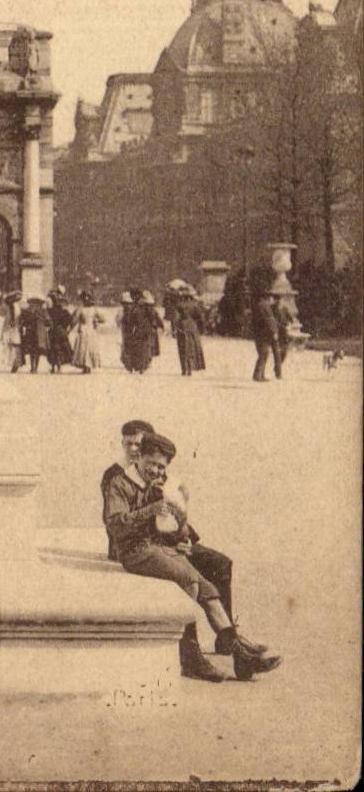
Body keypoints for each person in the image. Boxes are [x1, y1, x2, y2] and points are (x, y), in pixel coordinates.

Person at [103, 431, 280, 683]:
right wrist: (150, 509)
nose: (155, 470)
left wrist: (181, 521)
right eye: (150, 463)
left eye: (161, 466)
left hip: (160, 547)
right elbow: (115, 525)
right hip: (135, 552)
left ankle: (241, 656)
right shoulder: (120, 483)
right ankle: (192, 658)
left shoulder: (161, 483)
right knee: (189, 578)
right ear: (138, 457)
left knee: (207, 587)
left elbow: (175, 526)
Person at [100, 420, 155, 548]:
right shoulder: (113, 474)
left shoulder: (155, 472)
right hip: (124, 546)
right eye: (128, 443)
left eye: (138, 444)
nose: (132, 449)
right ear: (122, 443)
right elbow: (113, 520)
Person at [173, 287, 207, 376]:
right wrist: (202, 328)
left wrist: (174, 329)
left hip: (182, 328)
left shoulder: (179, 305)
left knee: (182, 348)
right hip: (192, 327)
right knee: (191, 348)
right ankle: (190, 368)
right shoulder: (195, 305)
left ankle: (184, 369)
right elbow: (201, 318)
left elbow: (175, 318)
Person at [252, 289, 283, 381]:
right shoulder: (265, 306)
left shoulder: (261, 305)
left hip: (260, 333)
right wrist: (274, 332)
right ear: (269, 298)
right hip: (264, 334)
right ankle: (258, 376)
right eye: (272, 298)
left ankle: (260, 375)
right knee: (264, 353)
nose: (273, 301)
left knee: (263, 354)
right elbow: (269, 320)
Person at [69, 291, 103, 372]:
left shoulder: (80, 309)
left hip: (84, 330)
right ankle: (88, 365)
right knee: (89, 348)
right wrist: (96, 320)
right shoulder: (94, 309)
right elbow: (103, 319)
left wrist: (70, 327)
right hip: (90, 330)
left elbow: (74, 321)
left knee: (83, 348)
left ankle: (85, 366)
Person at [46, 289, 74, 373]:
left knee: (53, 348)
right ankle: (59, 367)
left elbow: (47, 321)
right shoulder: (64, 311)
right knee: (60, 349)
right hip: (61, 331)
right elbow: (70, 320)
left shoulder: (50, 311)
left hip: (52, 331)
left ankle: (53, 367)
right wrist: (66, 328)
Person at [20, 296, 49, 371]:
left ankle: (33, 367)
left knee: (31, 350)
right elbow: (48, 321)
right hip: (40, 334)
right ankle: (35, 367)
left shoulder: (28, 311)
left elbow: (23, 321)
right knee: (37, 350)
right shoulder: (43, 311)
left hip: (30, 332)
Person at [0, 289, 24, 373]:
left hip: (11, 328)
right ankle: (12, 363)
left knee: (11, 346)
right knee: (13, 346)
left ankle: (12, 363)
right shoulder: (14, 306)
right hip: (13, 328)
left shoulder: (10, 306)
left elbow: (0, 313)